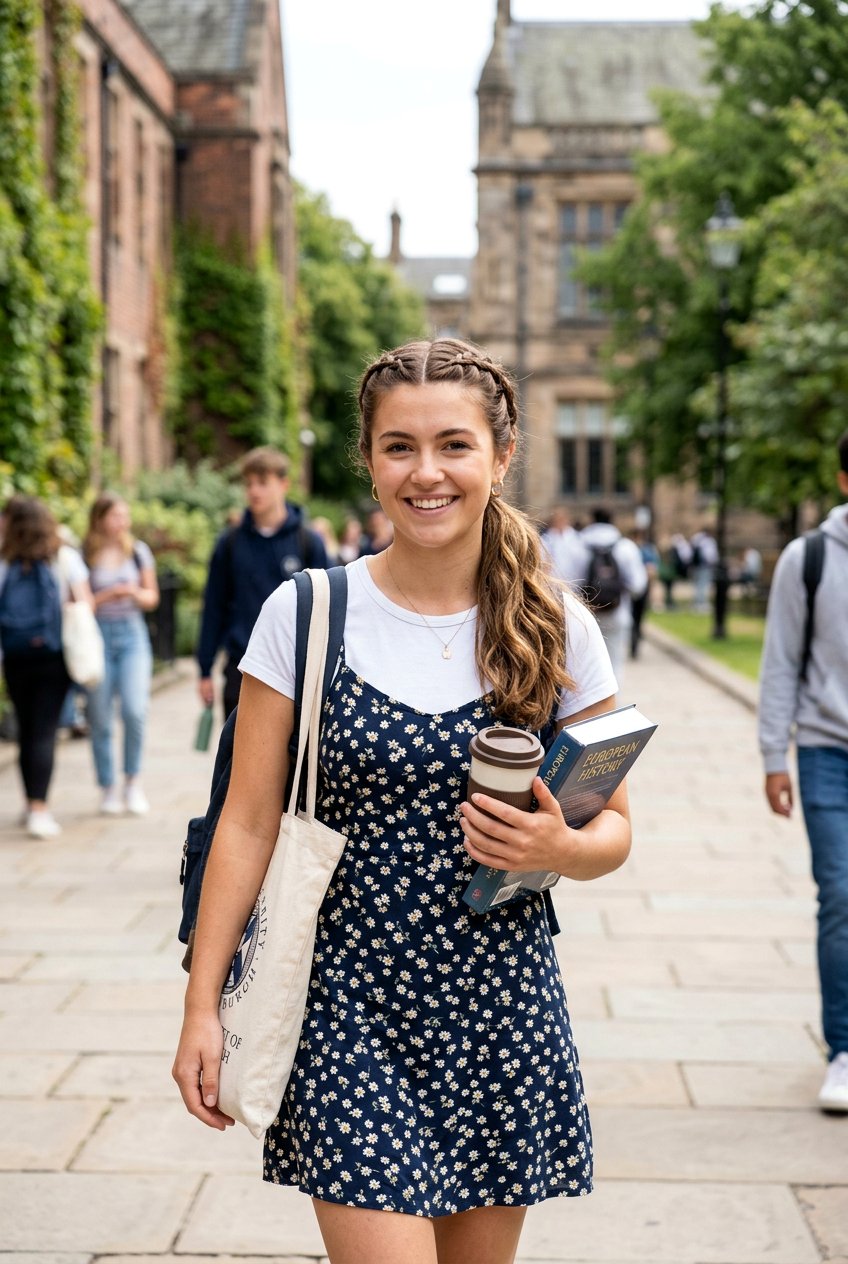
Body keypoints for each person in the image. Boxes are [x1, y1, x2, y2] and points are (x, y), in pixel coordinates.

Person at [173, 337, 633, 1263]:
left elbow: (614, 826)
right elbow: (248, 821)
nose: (427, 472)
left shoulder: (557, 625)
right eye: (400, 447)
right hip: (346, 1005)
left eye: (454, 445)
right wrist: (201, 1005)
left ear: (500, 457)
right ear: (369, 461)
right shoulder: (304, 614)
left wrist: (560, 848)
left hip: (500, 1010)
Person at [758, 430, 848, 1114]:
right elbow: (781, 662)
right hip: (827, 754)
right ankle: (843, 1049)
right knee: (841, 897)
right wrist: (772, 757)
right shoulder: (810, 558)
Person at [196, 447, 329, 721]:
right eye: (249, 484)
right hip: (242, 667)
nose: (254, 491)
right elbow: (214, 606)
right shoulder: (230, 543)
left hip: (296, 670)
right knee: (239, 761)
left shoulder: (308, 542)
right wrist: (205, 669)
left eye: (263, 483)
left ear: (283, 484)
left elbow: (328, 609)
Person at [0, 495, 93, 838]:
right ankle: (40, 809)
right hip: (54, 658)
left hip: (15, 656)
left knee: (26, 730)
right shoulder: (64, 557)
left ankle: (30, 803)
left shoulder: (5, 561)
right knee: (43, 731)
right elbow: (86, 604)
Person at [83, 494, 160, 816]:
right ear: (100, 518)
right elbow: (81, 603)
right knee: (99, 715)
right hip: (98, 636)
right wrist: (107, 595)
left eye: (124, 515)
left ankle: (132, 781)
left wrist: (133, 593)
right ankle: (108, 786)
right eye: (115, 516)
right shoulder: (85, 554)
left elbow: (152, 597)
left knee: (134, 709)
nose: (121, 522)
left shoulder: (138, 551)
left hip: (132, 636)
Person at [579, 508, 648, 681]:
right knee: (614, 664)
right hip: (617, 612)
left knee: (583, 669)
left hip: (583, 615)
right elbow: (638, 585)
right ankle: (613, 706)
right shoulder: (625, 547)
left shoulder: (576, 545)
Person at [540, 506, 588, 591]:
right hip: (551, 586)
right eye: (557, 519)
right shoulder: (545, 539)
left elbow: (582, 560)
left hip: (574, 585)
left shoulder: (576, 538)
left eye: (562, 518)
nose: (559, 521)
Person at [629, 529, 659, 659]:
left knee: (634, 617)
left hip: (632, 589)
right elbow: (653, 570)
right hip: (642, 588)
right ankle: (635, 638)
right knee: (638, 617)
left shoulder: (628, 550)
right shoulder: (647, 551)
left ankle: (634, 638)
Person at [689, 526, 718, 613]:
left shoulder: (696, 539)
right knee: (702, 585)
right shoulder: (707, 541)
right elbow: (711, 556)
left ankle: (698, 602)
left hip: (697, 566)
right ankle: (700, 603)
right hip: (704, 566)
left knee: (698, 585)